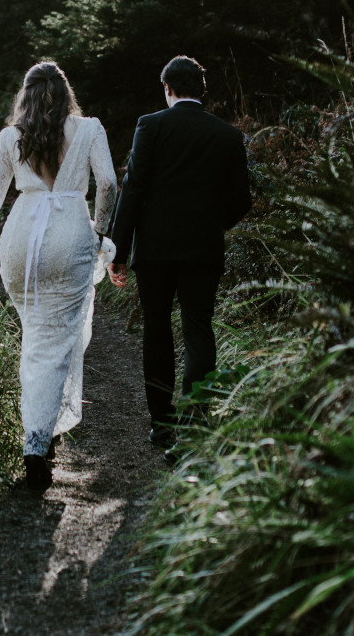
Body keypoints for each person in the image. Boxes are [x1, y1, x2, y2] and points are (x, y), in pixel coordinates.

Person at [0, 61, 117, 490]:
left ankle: (40, 433)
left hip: (20, 242)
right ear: (65, 90)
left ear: (26, 94)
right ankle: (37, 444)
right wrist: (101, 233)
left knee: (38, 340)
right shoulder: (90, 129)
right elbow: (107, 183)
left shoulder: (10, 136)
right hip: (70, 235)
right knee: (55, 344)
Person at [108, 55, 251, 452]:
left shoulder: (151, 125)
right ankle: (197, 419)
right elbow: (241, 199)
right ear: (201, 90)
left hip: (154, 250)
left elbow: (133, 189)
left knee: (157, 329)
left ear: (167, 89)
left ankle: (163, 424)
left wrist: (118, 250)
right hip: (203, 248)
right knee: (198, 327)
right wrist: (210, 223)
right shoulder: (227, 135)